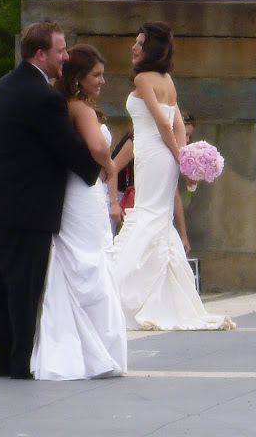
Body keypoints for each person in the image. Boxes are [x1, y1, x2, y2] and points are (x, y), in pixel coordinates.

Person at [0, 22, 102, 379]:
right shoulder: (44, 97)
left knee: (1, 289)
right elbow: (71, 151)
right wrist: (101, 167)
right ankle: (20, 366)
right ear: (41, 54)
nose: (66, 57)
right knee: (24, 289)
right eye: (61, 50)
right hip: (29, 211)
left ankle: (4, 363)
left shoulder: (4, 86)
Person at [111, 21, 234, 330]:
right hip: (163, 157)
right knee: (159, 219)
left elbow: (165, 125)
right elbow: (179, 126)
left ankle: (122, 290)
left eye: (140, 43)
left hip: (153, 154)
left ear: (151, 49)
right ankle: (166, 296)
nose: (134, 47)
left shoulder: (142, 79)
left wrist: (182, 158)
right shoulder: (167, 80)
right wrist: (184, 159)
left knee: (150, 217)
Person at [30, 44, 127, 380]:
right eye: (96, 75)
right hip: (83, 195)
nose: (102, 81)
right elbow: (99, 147)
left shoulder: (64, 105)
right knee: (90, 260)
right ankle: (97, 349)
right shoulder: (80, 107)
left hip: (75, 192)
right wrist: (111, 165)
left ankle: (79, 349)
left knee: (75, 262)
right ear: (79, 78)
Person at [108, 112, 195, 252]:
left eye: (189, 136)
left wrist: (183, 236)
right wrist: (114, 203)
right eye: (184, 134)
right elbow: (112, 168)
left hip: (149, 205)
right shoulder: (143, 138)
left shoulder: (173, 152)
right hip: (119, 194)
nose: (187, 140)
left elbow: (174, 193)